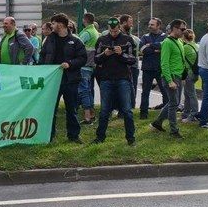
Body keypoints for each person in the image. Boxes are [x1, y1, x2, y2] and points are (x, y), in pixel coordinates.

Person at [39, 13, 86, 144]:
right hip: (52, 81)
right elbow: (42, 55)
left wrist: (70, 64)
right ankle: (49, 135)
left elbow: (83, 58)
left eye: (53, 23)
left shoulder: (76, 41)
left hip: (70, 80)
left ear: (60, 24)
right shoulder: (49, 39)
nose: (51, 26)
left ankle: (74, 135)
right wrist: (41, 69)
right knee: (51, 109)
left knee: (71, 109)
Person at [91, 17, 137, 145]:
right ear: (108, 29)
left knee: (127, 110)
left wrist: (121, 54)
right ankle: (100, 137)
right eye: (111, 31)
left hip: (123, 78)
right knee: (105, 110)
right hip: (106, 79)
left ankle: (131, 138)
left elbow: (133, 59)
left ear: (119, 28)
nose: (114, 33)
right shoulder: (102, 40)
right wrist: (105, 54)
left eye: (116, 31)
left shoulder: (127, 40)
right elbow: (96, 59)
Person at [151, 19, 187, 138]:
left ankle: (157, 122)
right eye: (182, 29)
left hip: (177, 76)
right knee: (174, 104)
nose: (184, 31)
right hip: (171, 77)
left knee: (174, 103)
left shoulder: (179, 41)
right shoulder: (167, 42)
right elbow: (164, 63)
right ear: (174, 29)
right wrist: (170, 80)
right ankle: (174, 130)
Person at [139, 17, 167, 118]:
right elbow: (142, 50)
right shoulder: (145, 36)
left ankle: (165, 114)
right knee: (145, 92)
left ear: (158, 26)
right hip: (147, 68)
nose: (149, 26)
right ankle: (143, 114)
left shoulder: (165, 36)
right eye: (149, 24)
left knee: (165, 92)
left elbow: (164, 48)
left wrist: (150, 45)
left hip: (161, 69)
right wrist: (156, 50)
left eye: (152, 25)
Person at [78, 13, 99, 125]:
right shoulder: (95, 32)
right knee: (88, 90)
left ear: (84, 20)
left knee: (84, 90)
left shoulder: (87, 33)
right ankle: (92, 114)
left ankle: (87, 117)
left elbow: (76, 46)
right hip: (90, 65)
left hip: (83, 65)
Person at [119, 14, 140, 108]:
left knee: (132, 87)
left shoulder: (134, 38)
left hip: (133, 65)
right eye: (130, 23)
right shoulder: (118, 36)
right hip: (121, 65)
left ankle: (131, 106)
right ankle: (121, 107)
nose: (132, 25)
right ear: (123, 23)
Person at [180, 28, 199, 123]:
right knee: (187, 94)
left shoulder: (185, 47)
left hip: (189, 73)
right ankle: (185, 114)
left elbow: (182, 61)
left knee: (191, 94)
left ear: (183, 37)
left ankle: (194, 114)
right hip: (195, 73)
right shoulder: (196, 45)